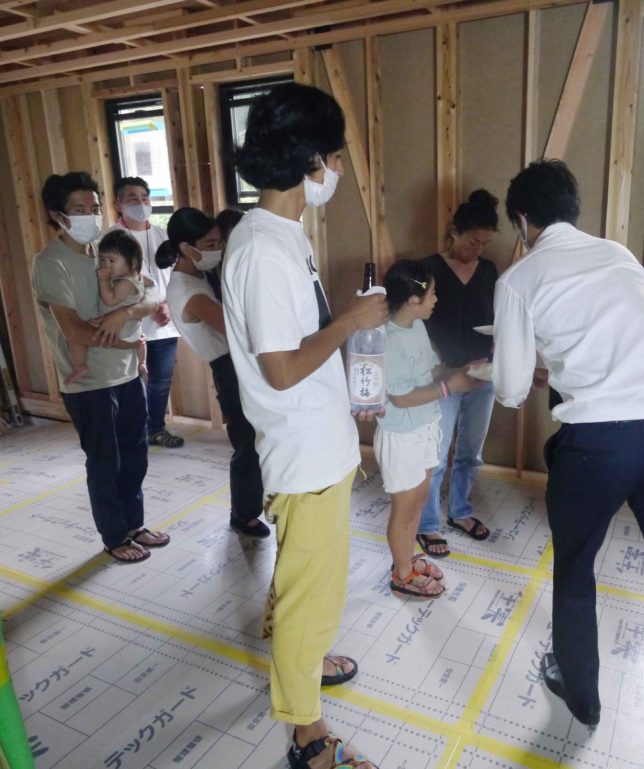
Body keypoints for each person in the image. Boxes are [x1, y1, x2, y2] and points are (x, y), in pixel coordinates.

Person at [492, 160, 644, 769]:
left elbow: (512, 389)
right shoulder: (622, 257)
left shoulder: (519, 280)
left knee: (576, 570)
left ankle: (582, 699)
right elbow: (620, 342)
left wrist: (504, 369)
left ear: (523, 220)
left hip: (596, 444)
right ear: (572, 209)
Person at [222, 82, 387, 769]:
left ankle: (307, 657)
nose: (338, 169)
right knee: (309, 596)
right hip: (302, 452)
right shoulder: (262, 248)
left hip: (320, 444)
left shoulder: (285, 236)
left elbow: (298, 349)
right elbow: (282, 368)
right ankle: (307, 731)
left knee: (310, 582)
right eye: (335, 155)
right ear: (309, 159)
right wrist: (350, 321)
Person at [32, 172, 170, 563]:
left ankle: (134, 524)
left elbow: (151, 296)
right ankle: (114, 536)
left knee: (136, 455)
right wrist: (126, 339)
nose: (90, 215)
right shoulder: (51, 263)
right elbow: (74, 330)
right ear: (57, 215)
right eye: (80, 209)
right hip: (89, 383)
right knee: (106, 462)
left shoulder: (107, 249)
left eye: (94, 207)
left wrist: (123, 313)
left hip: (128, 374)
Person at [157, 207, 270, 538]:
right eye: (210, 244)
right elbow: (238, 332)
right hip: (229, 368)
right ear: (186, 248)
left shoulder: (200, 275)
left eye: (219, 242)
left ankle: (253, 506)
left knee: (254, 440)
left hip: (236, 364)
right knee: (247, 444)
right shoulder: (188, 291)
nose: (217, 249)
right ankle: (244, 515)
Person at [374, 260, 483, 598]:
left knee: (418, 501)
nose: (436, 299)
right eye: (432, 294)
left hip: (424, 427)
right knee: (404, 508)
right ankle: (402, 574)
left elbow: (430, 370)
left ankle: (407, 559)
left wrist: (460, 371)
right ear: (413, 300)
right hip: (402, 435)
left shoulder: (416, 327)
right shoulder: (389, 339)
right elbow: (401, 397)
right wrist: (451, 387)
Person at [417, 189, 500, 557]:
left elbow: (497, 318)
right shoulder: (429, 269)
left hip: (483, 374)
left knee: (471, 452)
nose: (477, 250)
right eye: (472, 242)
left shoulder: (489, 271)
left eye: (484, 244)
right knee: (435, 456)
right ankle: (428, 524)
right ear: (454, 233)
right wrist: (439, 363)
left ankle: (460, 511)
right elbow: (412, 322)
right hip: (443, 377)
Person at [109, 176, 184, 448]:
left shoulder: (164, 236)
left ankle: (155, 429)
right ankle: (130, 434)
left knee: (161, 381)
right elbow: (107, 282)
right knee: (128, 382)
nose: (141, 203)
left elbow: (179, 276)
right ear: (118, 204)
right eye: (132, 198)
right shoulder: (110, 239)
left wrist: (169, 305)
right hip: (128, 325)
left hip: (164, 323)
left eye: (144, 198)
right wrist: (142, 306)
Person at [64, 229, 153, 384]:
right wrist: (151, 282)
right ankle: (142, 362)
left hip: (118, 330)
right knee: (141, 340)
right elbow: (149, 282)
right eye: (103, 260)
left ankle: (80, 365)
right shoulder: (135, 277)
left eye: (112, 261)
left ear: (132, 262)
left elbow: (110, 300)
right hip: (133, 329)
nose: (106, 265)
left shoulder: (125, 283)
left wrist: (103, 280)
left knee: (76, 336)